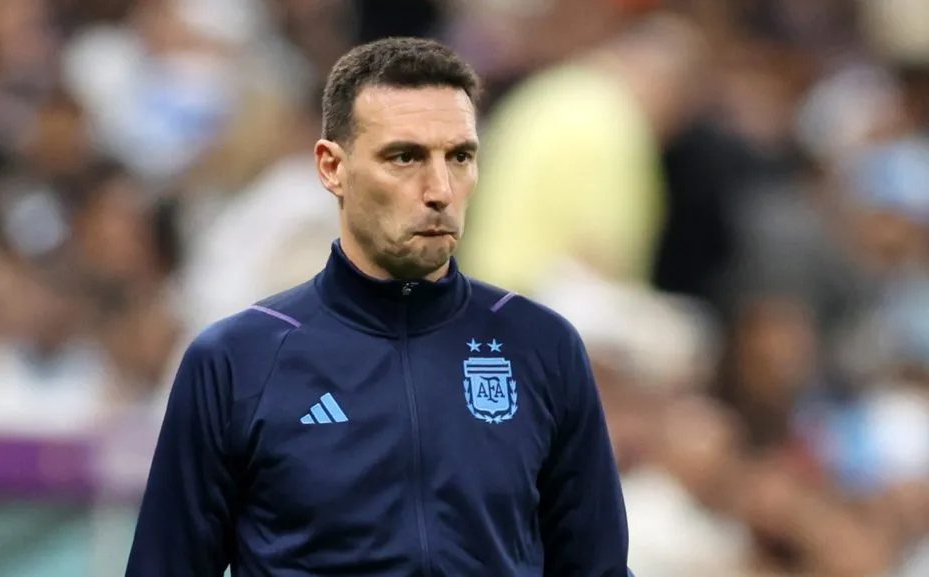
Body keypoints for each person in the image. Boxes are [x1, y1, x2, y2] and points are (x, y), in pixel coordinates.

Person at [126, 37, 632, 577]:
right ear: (332, 168)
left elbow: (595, 567)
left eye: (459, 156)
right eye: (405, 156)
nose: (439, 189)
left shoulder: (541, 346)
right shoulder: (236, 360)